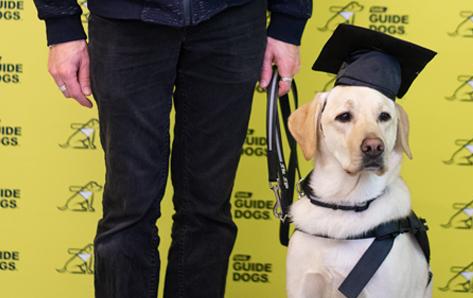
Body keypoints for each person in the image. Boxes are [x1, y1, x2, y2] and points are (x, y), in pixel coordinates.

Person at [33, 0, 311, 297]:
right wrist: (61, 25)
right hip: (126, 23)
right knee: (128, 211)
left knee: (208, 210)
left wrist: (288, 21)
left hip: (232, 20)